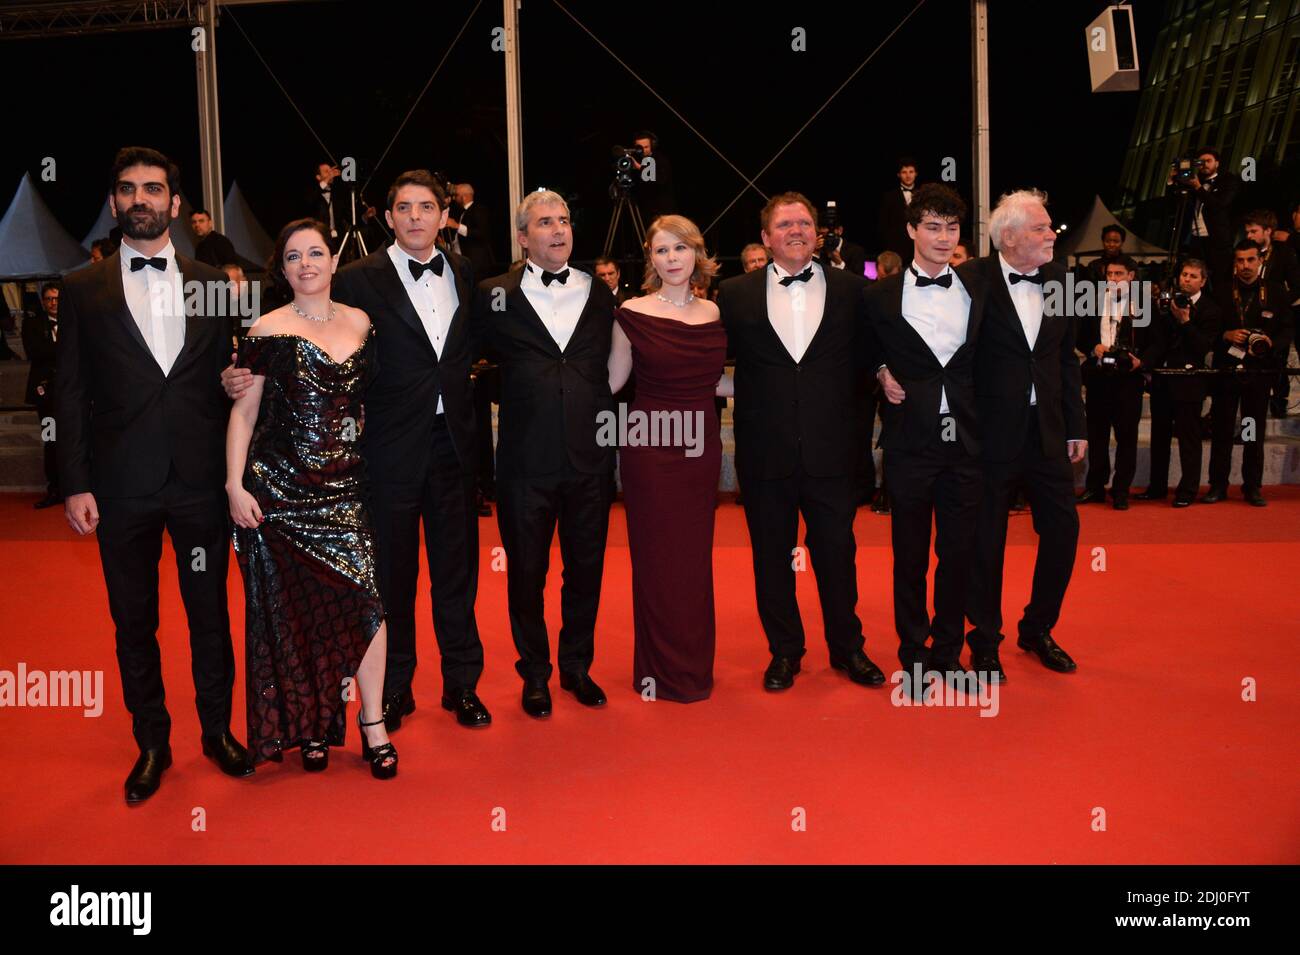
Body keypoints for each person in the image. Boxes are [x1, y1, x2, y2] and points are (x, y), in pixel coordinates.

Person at [224, 171, 489, 731]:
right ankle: (394, 690)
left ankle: (462, 684)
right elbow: (315, 338)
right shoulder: (357, 280)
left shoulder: (465, 271)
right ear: (388, 218)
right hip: (385, 452)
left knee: (458, 571)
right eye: (404, 208)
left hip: (456, 448)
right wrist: (243, 378)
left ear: (444, 216)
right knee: (391, 576)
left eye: (427, 207)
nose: (416, 217)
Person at [56, 146, 252, 803]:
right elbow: (69, 391)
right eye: (129, 189)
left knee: (209, 616)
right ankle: (152, 742)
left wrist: (234, 383)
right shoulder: (82, 288)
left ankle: (218, 731)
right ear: (114, 203)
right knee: (134, 620)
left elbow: (222, 379)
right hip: (121, 486)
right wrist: (76, 481)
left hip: (198, 481)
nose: (142, 199)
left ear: (175, 203)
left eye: (154, 188)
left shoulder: (211, 282)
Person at [226, 219, 396, 778]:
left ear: (331, 260)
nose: (306, 264)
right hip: (280, 490)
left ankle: (374, 725)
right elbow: (245, 412)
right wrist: (234, 485)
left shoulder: (363, 322)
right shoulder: (266, 329)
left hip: (345, 488)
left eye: (316, 252)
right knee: (299, 612)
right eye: (294, 255)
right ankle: (314, 726)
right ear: (283, 267)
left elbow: (361, 400)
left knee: (365, 601)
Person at [717, 191, 884, 692]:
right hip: (764, 451)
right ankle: (785, 651)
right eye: (785, 224)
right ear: (766, 238)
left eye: (804, 223)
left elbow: (873, 354)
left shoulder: (855, 290)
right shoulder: (734, 292)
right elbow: (707, 357)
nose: (796, 230)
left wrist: (887, 373)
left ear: (818, 233)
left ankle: (848, 648)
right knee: (771, 557)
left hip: (832, 451)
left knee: (837, 554)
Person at [477, 190, 617, 717]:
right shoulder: (494, 294)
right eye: (543, 222)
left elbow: (617, 364)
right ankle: (534, 673)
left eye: (563, 220)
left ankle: (577, 666)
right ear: (522, 237)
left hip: (590, 460)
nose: (558, 230)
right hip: (523, 463)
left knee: (586, 568)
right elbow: (459, 358)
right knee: (526, 573)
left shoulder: (600, 292)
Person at [961, 188, 1087, 680]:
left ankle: (1037, 628)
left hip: (1048, 432)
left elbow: (1064, 359)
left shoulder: (1062, 280)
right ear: (1008, 237)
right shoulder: (971, 280)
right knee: (985, 540)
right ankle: (984, 639)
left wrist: (1076, 424)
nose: (1051, 234)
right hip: (989, 436)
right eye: (1041, 228)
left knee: (1063, 531)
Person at [864, 184, 984, 689]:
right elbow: (861, 350)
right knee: (909, 554)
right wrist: (881, 370)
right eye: (932, 226)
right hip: (910, 440)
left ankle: (948, 650)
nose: (942, 237)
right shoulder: (879, 295)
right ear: (911, 230)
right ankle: (912, 649)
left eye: (951, 228)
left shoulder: (981, 289)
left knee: (958, 553)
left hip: (968, 443)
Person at [607, 215, 729, 701]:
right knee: (657, 560)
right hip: (650, 447)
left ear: (696, 254)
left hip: (700, 446)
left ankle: (693, 669)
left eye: (680, 249)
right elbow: (614, 381)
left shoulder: (714, 313)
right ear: (651, 259)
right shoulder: (631, 312)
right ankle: (658, 670)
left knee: (693, 559)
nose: (672, 259)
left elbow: (714, 381)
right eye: (662, 251)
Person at [1202, 240, 1294, 506]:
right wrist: (1225, 334)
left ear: (1260, 261)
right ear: (1235, 263)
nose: (1245, 266)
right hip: (1227, 373)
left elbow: (1288, 330)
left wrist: (1270, 345)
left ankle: (1252, 486)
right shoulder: (1220, 292)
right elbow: (1208, 330)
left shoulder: (1275, 293)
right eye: (1240, 260)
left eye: (1250, 260)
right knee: (1222, 431)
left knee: (1252, 431)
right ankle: (1218, 485)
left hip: (1258, 375)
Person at [1076, 256, 1163, 510]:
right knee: (1097, 435)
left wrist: (1141, 361)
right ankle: (1095, 487)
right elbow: (1079, 337)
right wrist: (1094, 347)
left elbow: (1158, 342)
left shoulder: (1144, 304)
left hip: (1129, 380)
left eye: (1118, 274)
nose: (1112, 279)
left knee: (1127, 437)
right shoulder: (1091, 301)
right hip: (1098, 378)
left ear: (1132, 276)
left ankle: (1121, 489)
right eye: (1109, 274)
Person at [1140, 258, 1221, 506]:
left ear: (1203, 282)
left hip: (1190, 383)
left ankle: (1187, 491)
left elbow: (1201, 348)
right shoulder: (1165, 305)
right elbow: (1156, 339)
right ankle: (1157, 487)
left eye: (1193, 276)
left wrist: (1185, 321)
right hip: (1163, 380)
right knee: (1159, 437)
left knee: (1189, 439)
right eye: (1184, 274)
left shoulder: (1210, 310)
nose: (1186, 279)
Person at [25, 282, 61, 509]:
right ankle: (54, 488)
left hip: (72, 395)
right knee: (51, 441)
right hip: (45, 397)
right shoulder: (32, 324)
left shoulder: (75, 322)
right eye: (48, 299)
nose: (53, 303)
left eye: (56, 298)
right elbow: (36, 352)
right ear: (42, 301)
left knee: (78, 441)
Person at [447, 183, 496, 280]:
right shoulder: (462, 213)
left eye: (456, 195)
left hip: (477, 265)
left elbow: (482, 233)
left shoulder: (479, 209)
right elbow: (459, 241)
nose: (453, 198)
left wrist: (456, 226)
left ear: (464, 197)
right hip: (463, 263)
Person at [879, 157, 918, 259]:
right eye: (904, 172)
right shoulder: (889, 196)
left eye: (911, 172)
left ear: (916, 173)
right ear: (899, 175)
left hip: (917, 245)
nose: (908, 175)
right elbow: (884, 223)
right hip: (895, 248)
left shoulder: (922, 194)